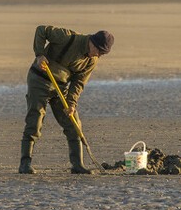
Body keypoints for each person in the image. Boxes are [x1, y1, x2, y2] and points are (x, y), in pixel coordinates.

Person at [19, 26, 113, 175]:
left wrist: (71, 104)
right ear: (92, 42)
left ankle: (77, 165)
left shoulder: (92, 60)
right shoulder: (68, 37)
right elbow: (41, 30)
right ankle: (25, 163)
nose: (98, 55)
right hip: (39, 80)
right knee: (35, 121)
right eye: (98, 51)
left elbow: (78, 83)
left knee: (73, 124)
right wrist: (40, 54)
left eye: (102, 54)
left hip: (60, 87)